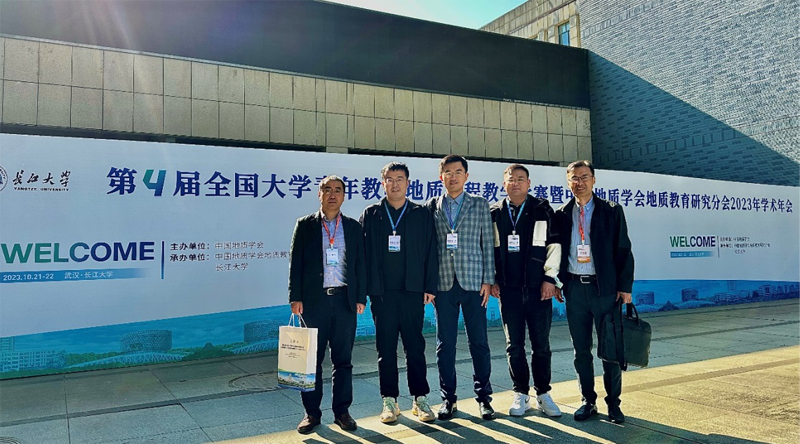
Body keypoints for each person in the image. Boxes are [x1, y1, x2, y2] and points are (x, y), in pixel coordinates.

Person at [554, 160, 634, 424]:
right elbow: (555, 252)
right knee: (581, 350)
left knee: (610, 350)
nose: (579, 182)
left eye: (584, 177)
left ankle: (614, 404)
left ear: (594, 179)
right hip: (575, 289)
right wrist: (558, 282)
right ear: (568, 182)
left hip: (605, 290)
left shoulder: (611, 210)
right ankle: (588, 401)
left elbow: (623, 250)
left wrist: (624, 287)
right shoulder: (561, 213)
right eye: (574, 178)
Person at [360, 162, 439, 424]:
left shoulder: (420, 213)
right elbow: (362, 256)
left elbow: (432, 251)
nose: (395, 184)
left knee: (415, 347)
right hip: (382, 294)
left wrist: (429, 287)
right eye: (390, 179)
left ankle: (420, 398)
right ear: (382, 183)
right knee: (385, 348)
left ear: (408, 183)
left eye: (400, 179)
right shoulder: (372, 214)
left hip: (413, 291)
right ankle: (389, 400)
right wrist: (364, 291)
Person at [288, 175, 367, 434]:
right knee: (311, 361)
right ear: (319, 194)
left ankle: (342, 412)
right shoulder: (305, 225)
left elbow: (360, 265)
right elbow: (296, 263)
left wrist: (360, 297)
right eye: (327, 189)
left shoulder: (353, 227)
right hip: (314, 302)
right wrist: (295, 297)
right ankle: (311, 413)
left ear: (344, 195)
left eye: (338, 190)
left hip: (344, 301)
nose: (333, 194)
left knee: (343, 361)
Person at [490, 164, 564, 418]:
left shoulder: (541, 209)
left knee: (541, 344)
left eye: (521, 179)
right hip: (508, 289)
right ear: (504, 184)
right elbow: (490, 249)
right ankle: (520, 393)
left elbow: (554, 245)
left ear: (529, 183)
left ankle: (543, 393)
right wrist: (494, 279)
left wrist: (550, 278)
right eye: (511, 180)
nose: (516, 183)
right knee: (514, 345)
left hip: (537, 289)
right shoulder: (495, 212)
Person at [426, 154, 496, 421]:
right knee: (445, 345)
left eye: (458, 172)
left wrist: (488, 280)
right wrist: (429, 285)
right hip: (443, 284)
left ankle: (484, 398)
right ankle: (448, 399)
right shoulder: (432, 206)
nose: (452, 177)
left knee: (479, 342)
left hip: (474, 283)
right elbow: (428, 249)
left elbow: (487, 244)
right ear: (440, 176)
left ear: (466, 176)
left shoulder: (479, 204)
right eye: (447, 172)